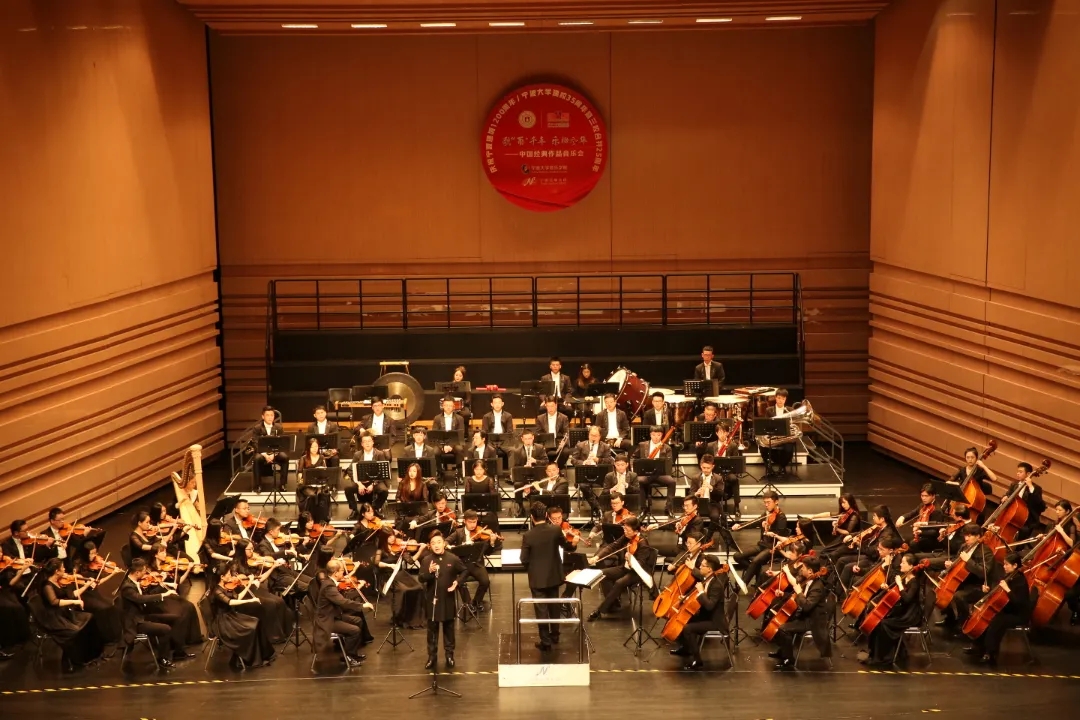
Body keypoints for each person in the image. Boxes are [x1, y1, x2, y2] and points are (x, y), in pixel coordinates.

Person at [521, 502, 575, 651]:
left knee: (541, 610)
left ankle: (546, 641)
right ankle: (555, 635)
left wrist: (532, 568)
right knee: (554, 605)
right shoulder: (555, 530)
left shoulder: (528, 535)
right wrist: (574, 543)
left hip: (537, 579)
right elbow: (567, 546)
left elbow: (524, 559)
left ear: (532, 517)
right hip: (553, 575)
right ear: (546, 515)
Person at [119, 558, 192, 669]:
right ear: (137, 572)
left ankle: (179, 652)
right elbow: (140, 599)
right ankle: (163, 658)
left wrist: (163, 585)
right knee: (165, 629)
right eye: (144, 571)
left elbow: (146, 595)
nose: (146, 573)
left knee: (177, 618)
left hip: (144, 615)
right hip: (136, 622)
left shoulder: (136, 582)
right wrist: (163, 595)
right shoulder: (127, 587)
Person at [35, 558, 105, 672]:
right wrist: (74, 602)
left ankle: (89, 654)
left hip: (63, 613)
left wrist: (86, 585)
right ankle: (74, 659)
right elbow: (54, 602)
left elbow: (72, 594)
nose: (64, 569)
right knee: (75, 631)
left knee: (90, 618)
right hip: (54, 617)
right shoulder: (47, 585)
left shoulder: (57, 582)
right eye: (62, 567)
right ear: (56, 571)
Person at [964, 552, 1032, 665]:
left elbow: (1017, 603)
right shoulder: (1010, 576)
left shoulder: (1020, 580)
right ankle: (978, 646)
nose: (1004, 567)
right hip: (1007, 609)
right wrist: (988, 590)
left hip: (1018, 614)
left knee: (996, 621)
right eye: (1004, 564)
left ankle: (990, 653)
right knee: (989, 616)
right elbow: (1000, 594)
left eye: (1006, 564)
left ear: (1015, 565)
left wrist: (1007, 589)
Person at [861, 553, 926, 665]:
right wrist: (887, 589)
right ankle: (875, 653)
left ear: (911, 566)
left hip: (910, 615)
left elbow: (907, 599)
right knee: (878, 623)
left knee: (883, 624)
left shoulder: (914, 582)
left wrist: (899, 584)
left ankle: (885, 656)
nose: (901, 564)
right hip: (902, 611)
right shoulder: (904, 577)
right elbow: (898, 596)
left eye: (903, 563)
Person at [208, 565, 276, 669]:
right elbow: (230, 602)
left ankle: (264, 654)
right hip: (223, 622)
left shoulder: (226, 587)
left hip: (231, 616)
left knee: (256, 621)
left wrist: (248, 585)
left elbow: (238, 597)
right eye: (229, 574)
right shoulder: (217, 591)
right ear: (222, 577)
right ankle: (250, 660)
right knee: (250, 629)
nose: (231, 576)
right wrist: (250, 600)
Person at [669, 555, 729, 671]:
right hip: (707, 616)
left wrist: (701, 591)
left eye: (702, 565)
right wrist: (686, 599)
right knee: (684, 619)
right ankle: (686, 648)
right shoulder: (707, 580)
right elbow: (699, 601)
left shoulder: (716, 585)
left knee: (688, 628)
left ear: (709, 569)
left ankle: (697, 660)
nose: (699, 567)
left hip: (715, 622)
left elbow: (710, 606)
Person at [770, 556, 829, 670]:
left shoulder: (817, 587)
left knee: (783, 629)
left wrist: (799, 592)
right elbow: (798, 597)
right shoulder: (808, 581)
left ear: (810, 571)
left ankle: (788, 659)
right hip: (806, 616)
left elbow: (806, 606)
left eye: (803, 567)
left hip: (813, 621)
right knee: (780, 621)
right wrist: (783, 594)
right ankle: (782, 652)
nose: (801, 569)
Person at [587, 517, 652, 620]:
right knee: (602, 574)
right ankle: (612, 603)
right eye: (624, 529)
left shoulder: (643, 543)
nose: (625, 532)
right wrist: (597, 557)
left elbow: (641, 564)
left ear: (636, 531)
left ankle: (600, 610)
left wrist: (630, 560)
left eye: (627, 530)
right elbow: (612, 546)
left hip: (637, 572)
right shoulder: (627, 537)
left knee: (619, 583)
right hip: (625, 568)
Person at [936, 524, 1000, 630]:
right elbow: (957, 561)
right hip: (965, 581)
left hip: (979, 585)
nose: (966, 538)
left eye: (970, 536)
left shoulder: (985, 551)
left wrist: (968, 560)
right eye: (965, 535)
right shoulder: (964, 546)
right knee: (947, 591)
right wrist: (951, 564)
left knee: (958, 596)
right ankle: (950, 619)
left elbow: (983, 572)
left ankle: (964, 623)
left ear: (978, 536)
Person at [312, 558, 373, 667]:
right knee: (355, 630)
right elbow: (342, 602)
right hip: (327, 620)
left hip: (333, 615)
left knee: (358, 620)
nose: (343, 573)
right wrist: (362, 605)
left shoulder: (330, 582)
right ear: (335, 573)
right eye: (341, 571)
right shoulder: (329, 586)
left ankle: (352, 654)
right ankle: (347, 657)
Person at [418, 531, 466, 669]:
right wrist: (429, 572)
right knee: (432, 630)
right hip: (432, 600)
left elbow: (464, 571)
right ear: (430, 546)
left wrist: (457, 582)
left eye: (439, 542)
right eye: (433, 543)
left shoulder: (453, 558)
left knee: (449, 628)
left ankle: (449, 655)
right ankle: (432, 656)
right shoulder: (426, 560)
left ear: (444, 543)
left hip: (448, 598)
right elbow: (421, 578)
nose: (436, 545)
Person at [232, 540, 293, 643]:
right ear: (242, 550)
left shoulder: (250, 562)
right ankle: (273, 636)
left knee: (280, 601)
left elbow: (261, 578)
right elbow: (235, 580)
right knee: (270, 604)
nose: (252, 551)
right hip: (244, 592)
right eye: (249, 549)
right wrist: (250, 581)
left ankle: (285, 632)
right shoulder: (234, 564)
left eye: (252, 548)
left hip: (255, 589)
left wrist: (273, 567)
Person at [446, 510, 499, 614]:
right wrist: (450, 546)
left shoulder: (481, 534)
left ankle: (477, 601)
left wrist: (492, 542)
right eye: (470, 522)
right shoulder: (458, 532)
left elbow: (488, 552)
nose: (473, 525)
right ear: (465, 521)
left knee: (485, 581)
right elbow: (446, 541)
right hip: (462, 565)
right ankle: (468, 603)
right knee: (460, 581)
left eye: (474, 522)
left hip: (476, 564)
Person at [732, 491, 788, 585]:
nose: (766, 505)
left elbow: (779, 535)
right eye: (765, 502)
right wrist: (740, 526)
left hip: (773, 548)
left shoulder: (781, 517)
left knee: (755, 561)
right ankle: (757, 571)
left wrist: (768, 528)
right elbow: (755, 522)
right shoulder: (767, 513)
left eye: (768, 502)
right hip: (763, 545)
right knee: (737, 556)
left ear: (776, 502)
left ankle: (743, 584)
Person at [346, 431, 390, 518]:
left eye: (369, 441)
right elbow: (350, 470)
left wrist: (373, 484)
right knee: (348, 489)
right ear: (362, 444)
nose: (367, 443)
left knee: (384, 491)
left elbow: (383, 472)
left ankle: (375, 509)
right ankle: (354, 510)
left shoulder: (379, 454)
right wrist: (359, 484)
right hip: (361, 481)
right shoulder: (357, 455)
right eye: (365, 442)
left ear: (373, 442)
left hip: (375, 481)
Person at [634, 425, 677, 515]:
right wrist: (633, 468)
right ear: (650, 435)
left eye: (658, 435)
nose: (656, 437)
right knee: (639, 481)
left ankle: (669, 507)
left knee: (672, 482)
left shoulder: (667, 448)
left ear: (662, 435)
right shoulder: (642, 445)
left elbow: (669, 463)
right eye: (653, 435)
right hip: (645, 474)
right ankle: (643, 508)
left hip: (660, 474)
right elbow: (633, 458)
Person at [1002, 462, 1046, 540]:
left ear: (1028, 474)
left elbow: (1040, 506)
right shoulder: (1014, 484)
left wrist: (1030, 486)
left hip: (1027, 520)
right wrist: (1004, 498)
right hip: (1012, 516)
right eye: (1017, 471)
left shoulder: (1036, 488)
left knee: (1022, 534)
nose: (1018, 473)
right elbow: (1007, 495)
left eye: (1020, 472)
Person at [897, 483, 945, 553]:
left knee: (912, 544)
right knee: (903, 541)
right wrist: (903, 517)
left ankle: (914, 557)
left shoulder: (937, 511)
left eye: (926, 496)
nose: (924, 498)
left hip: (931, 539)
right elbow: (913, 513)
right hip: (921, 535)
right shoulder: (923, 505)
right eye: (922, 495)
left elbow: (935, 532)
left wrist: (921, 532)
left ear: (933, 496)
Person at [759, 389, 797, 475]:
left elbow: (793, 424)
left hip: (786, 438)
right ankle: (769, 467)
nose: (780, 400)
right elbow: (766, 424)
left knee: (788, 449)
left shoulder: (790, 410)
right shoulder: (769, 410)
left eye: (783, 398)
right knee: (762, 445)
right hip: (773, 437)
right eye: (779, 398)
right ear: (775, 398)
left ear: (785, 399)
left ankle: (782, 466)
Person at [251, 406, 288, 490]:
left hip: (275, 452)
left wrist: (274, 454)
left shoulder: (279, 427)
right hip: (262, 453)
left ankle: (282, 484)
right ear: (263, 416)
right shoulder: (257, 428)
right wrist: (265, 455)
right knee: (257, 459)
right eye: (267, 415)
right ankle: (258, 485)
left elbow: (281, 443)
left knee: (285, 457)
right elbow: (255, 443)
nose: (270, 417)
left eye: (272, 415)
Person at [432, 395, 466, 475]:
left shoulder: (459, 418)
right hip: (441, 442)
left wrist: (451, 445)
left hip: (455, 442)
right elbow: (435, 434)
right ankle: (439, 472)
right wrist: (442, 446)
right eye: (446, 405)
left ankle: (460, 473)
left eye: (450, 405)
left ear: (454, 407)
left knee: (459, 449)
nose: (448, 407)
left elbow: (460, 434)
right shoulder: (437, 418)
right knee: (435, 451)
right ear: (443, 406)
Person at [534, 396, 570, 464]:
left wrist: (563, 442)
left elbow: (566, 432)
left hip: (558, 441)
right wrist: (542, 444)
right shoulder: (540, 418)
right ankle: (547, 468)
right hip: (546, 442)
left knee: (566, 452)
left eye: (552, 406)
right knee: (539, 451)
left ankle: (558, 468)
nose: (550, 408)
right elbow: (538, 433)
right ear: (545, 406)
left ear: (556, 405)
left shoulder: (564, 418)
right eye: (548, 406)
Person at [296, 436, 328, 507]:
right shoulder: (304, 458)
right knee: (312, 495)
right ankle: (311, 511)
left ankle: (322, 512)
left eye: (316, 446)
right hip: (307, 485)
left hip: (319, 484)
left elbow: (325, 471)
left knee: (322, 494)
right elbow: (300, 473)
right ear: (308, 448)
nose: (314, 449)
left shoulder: (322, 457)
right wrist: (301, 478)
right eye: (312, 447)